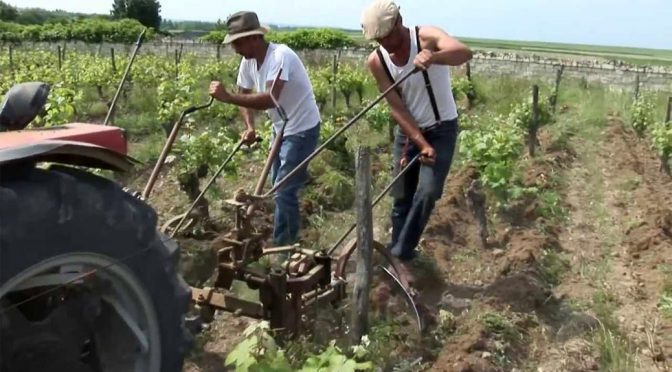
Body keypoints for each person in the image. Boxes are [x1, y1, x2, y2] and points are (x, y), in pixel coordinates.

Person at [360, 0, 473, 283]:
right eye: (379, 39)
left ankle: (399, 254)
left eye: (388, 35)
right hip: (410, 134)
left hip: (443, 129)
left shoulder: (426, 36)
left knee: (428, 192)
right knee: (400, 195)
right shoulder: (377, 61)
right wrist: (420, 142)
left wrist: (432, 57)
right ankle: (399, 256)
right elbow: (397, 107)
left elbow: (463, 53)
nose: (385, 43)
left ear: (399, 22)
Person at [209, 11, 321, 248]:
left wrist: (227, 97)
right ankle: (286, 223)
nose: (235, 49)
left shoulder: (280, 56)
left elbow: (271, 99)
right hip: (281, 125)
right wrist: (250, 126)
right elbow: (245, 95)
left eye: (238, 43)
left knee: (283, 190)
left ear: (254, 38)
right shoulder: (248, 62)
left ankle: (284, 249)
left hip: (302, 127)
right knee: (276, 183)